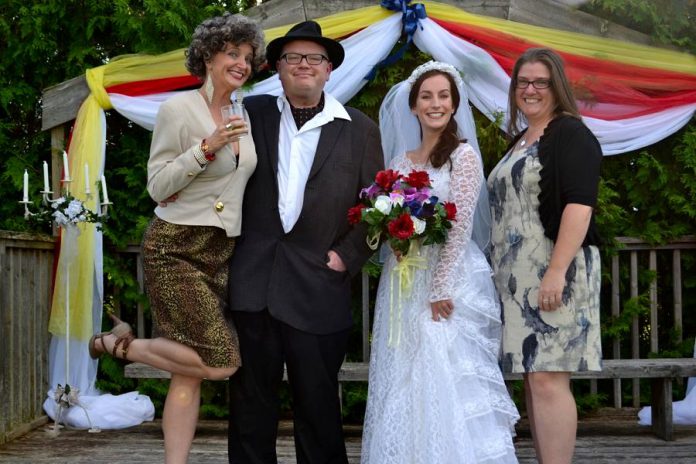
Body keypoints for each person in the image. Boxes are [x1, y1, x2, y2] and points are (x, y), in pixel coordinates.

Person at [88, 13, 265, 464]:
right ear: (208, 55)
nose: (242, 63)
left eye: (247, 56)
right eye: (232, 53)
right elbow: (157, 186)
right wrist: (205, 148)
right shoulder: (177, 109)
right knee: (222, 361)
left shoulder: (241, 111)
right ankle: (115, 345)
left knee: (190, 372)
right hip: (175, 247)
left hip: (221, 251)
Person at [226, 20, 384, 464]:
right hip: (253, 284)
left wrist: (346, 257)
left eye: (314, 58)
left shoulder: (360, 129)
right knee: (250, 407)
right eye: (292, 57)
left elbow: (378, 206)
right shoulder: (248, 113)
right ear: (277, 67)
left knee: (317, 407)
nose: (303, 65)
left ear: (329, 69)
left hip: (319, 287)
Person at [361, 61, 519, 463]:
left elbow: (461, 224)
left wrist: (441, 287)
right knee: (404, 372)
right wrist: (395, 241)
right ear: (413, 106)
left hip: (447, 280)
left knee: (441, 369)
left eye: (443, 96)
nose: (435, 104)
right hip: (404, 280)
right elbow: (388, 216)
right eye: (427, 96)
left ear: (454, 103)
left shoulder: (462, 157)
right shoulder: (400, 161)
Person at [487, 48, 603, 464]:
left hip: (555, 272)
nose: (530, 90)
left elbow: (579, 205)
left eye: (541, 82)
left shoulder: (570, 133)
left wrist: (556, 272)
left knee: (550, 380)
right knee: (536, 380)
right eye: (523, 82)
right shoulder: (521, 139)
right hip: (519, 278)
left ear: (557, 87)